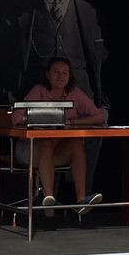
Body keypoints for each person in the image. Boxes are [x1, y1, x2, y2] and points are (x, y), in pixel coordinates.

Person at [15, 57, 104, 212]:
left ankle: (81, 201)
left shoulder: (74, 93)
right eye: (56, 72)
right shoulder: (38, 91)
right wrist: (37, 120)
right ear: (48, 75)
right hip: (30, 150)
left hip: (58, 153)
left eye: (65, 73)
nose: (60, 76)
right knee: (46, 143)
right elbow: (16, 117)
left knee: (76, 143)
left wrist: (74, 122)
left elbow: (99, 117)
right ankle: (49, 200)